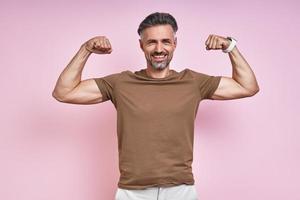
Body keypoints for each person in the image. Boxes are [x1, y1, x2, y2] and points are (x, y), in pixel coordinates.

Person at [52, 12, 259, 200]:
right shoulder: (121, 84)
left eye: (165, 42)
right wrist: (85, 49)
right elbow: (64, 92)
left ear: (175, 44)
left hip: (181, 190)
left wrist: (230, 47)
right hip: (132, 192)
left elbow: (247, 86)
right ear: (141, 45)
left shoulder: (193, 82)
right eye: (151, 42)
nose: (159, 49)